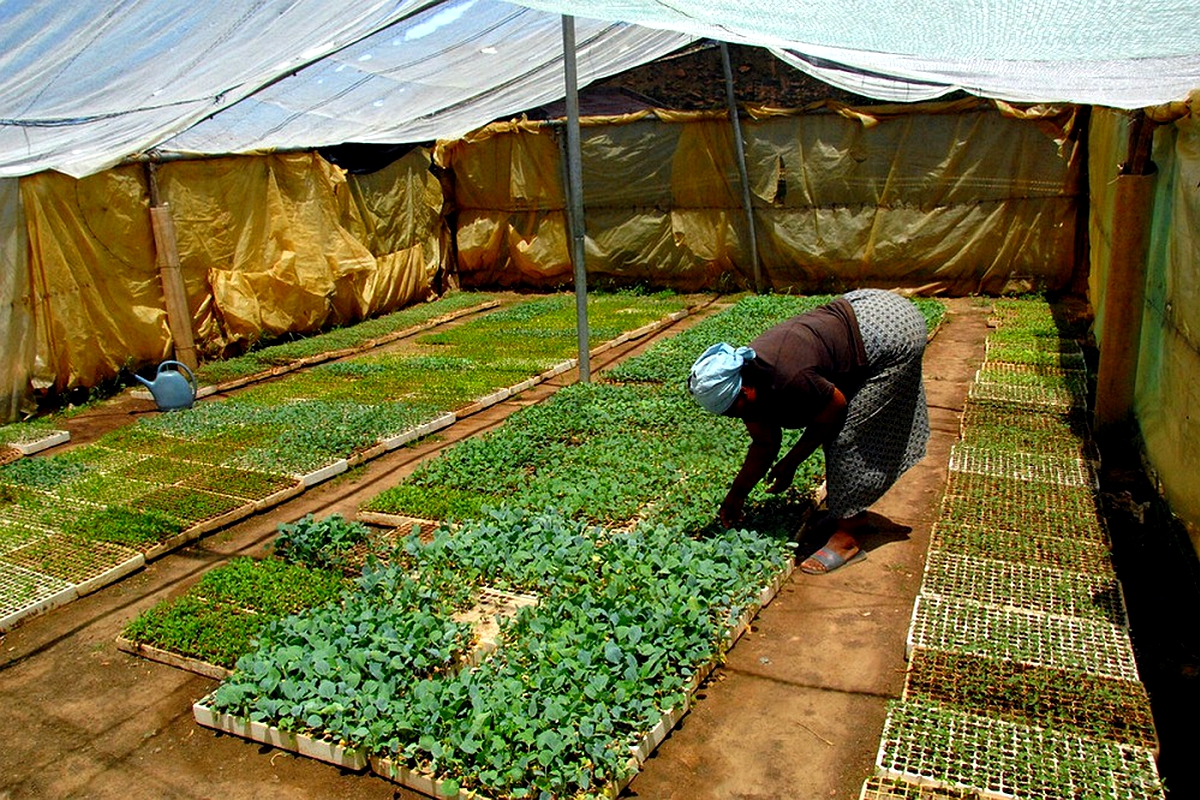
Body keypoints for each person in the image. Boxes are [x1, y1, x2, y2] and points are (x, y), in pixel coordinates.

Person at [687, 289, 929, 574]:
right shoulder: (747, 377)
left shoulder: (788, 376)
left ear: (743, 390)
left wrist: (791, 462)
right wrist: (736, 496)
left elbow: (834, 409)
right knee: (836, 427)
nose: (736, 417)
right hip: (863, 313)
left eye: (733, 410)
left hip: (893, 330)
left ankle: (848, 536)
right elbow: (765, 443)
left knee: (845, 435)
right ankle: (850, 510)